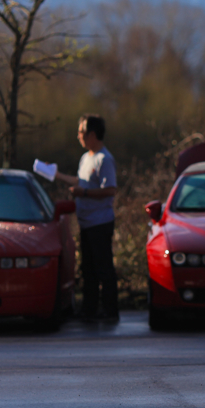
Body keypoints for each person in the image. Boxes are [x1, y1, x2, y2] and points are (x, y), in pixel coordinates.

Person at [53, 114, 119, 322]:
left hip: (100, 222)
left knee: (103, 268)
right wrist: (57, 175)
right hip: (86, 223)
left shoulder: (104, 159)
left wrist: (84, 194)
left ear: (92, 134)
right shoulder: (86, 158)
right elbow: (80, 181)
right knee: (88, 269)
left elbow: (110, 190)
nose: (78, 136)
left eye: (81, 132)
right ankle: (89, 309)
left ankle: (110, 310)